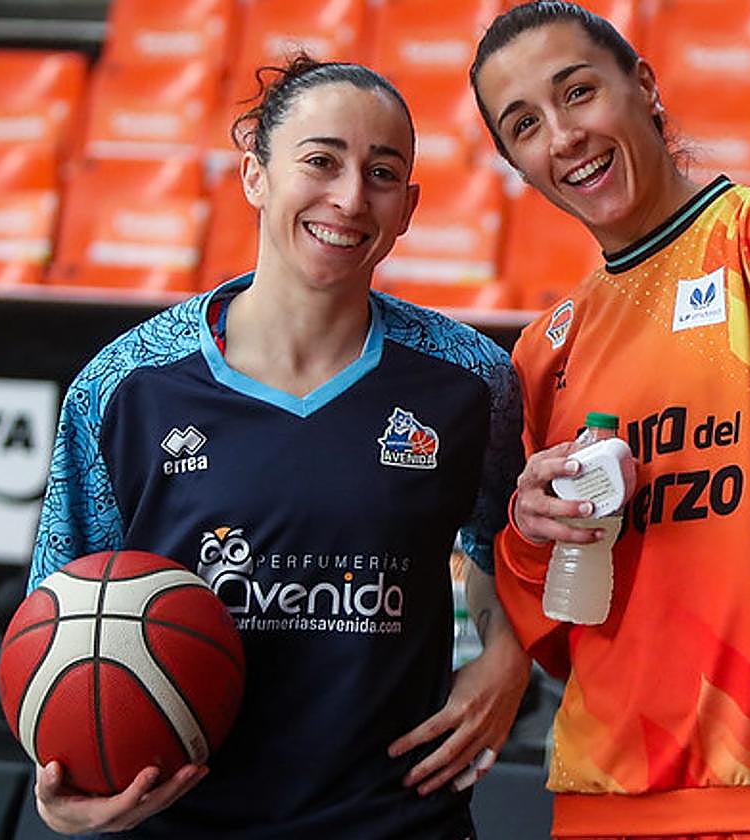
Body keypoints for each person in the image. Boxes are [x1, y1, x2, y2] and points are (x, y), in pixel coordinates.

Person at [27, 56, 531, 839]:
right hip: (182, 823)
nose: (350, 197)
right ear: (255, 175)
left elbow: (509, 543)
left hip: (396, 822)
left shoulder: (470, 380)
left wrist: (509, 659)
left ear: (409, 207)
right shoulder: (125, 384)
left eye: (383, 173)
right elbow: (57, 621)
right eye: (321, 161)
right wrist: (61, 785)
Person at [470, 3, 750, 838]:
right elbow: (556, 628)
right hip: (601, 800)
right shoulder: (542, 352)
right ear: (515, 165)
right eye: (525, 124)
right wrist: (531, 533)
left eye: (578, 93)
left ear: (643, 87)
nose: (562, 136)